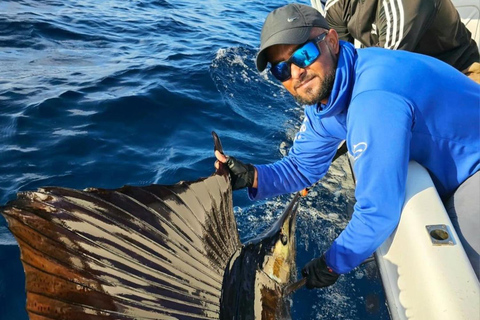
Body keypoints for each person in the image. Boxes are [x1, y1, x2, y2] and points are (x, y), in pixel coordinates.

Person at [215, 3, 480, 288]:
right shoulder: (326, 99)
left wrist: (332, 264)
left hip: (473, 171)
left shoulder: (372, 99)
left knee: (453, 278)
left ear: (331, 41)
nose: (296, 73)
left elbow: (378, 211)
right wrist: (254, 176)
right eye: (281, 69)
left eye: (303, 55)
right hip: (449, 164)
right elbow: (302, 167)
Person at [320, 0, 480, 81]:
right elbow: (335, 62)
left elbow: (385, 67)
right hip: (409, 81)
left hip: (458, 76)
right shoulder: (338, 4)